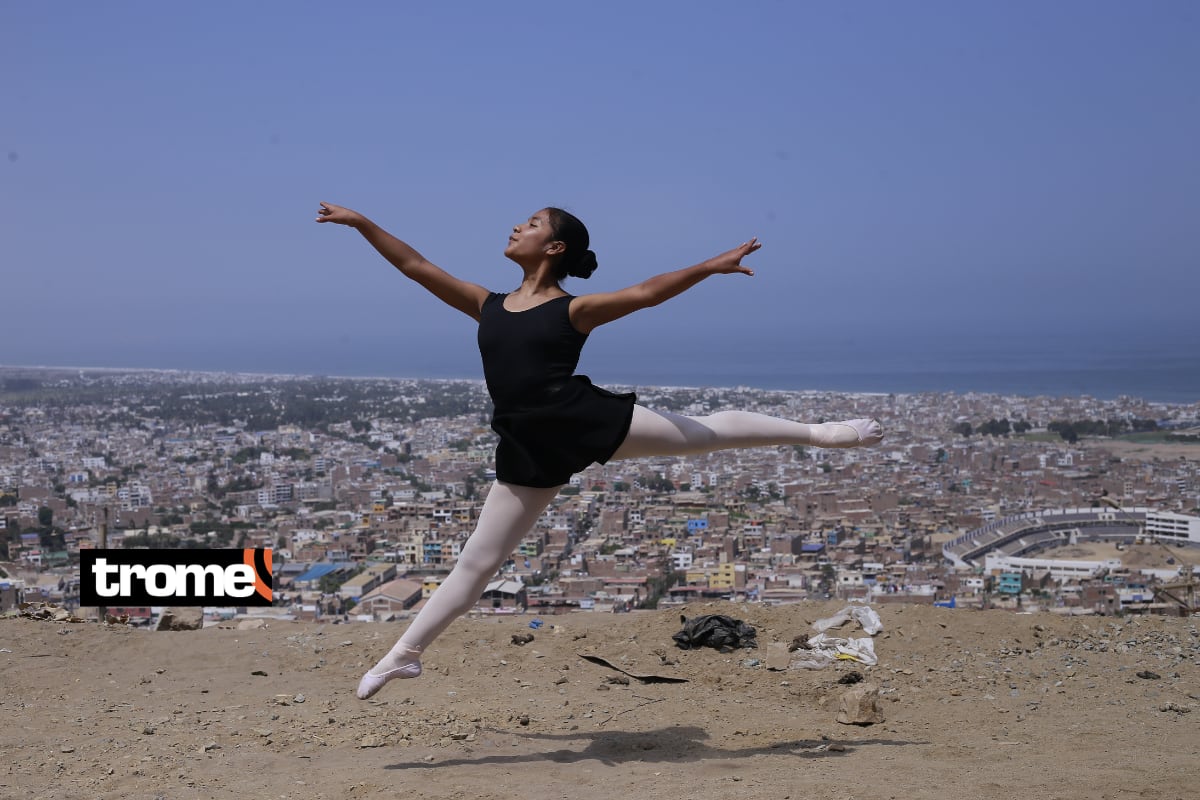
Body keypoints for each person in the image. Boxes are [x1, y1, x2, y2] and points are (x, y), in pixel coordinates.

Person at [315, 202, 883, 699]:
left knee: (702, 436)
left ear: (554, 246)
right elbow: (416, 268)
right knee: (477, 563)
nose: (516, 226)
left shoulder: (571, 311)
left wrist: (708, 267)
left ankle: (821, 433)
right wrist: (363, 223)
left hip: (581, 419)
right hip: (528, 444)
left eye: (531, 222)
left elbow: (645, 293)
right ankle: (405, 654)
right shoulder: (487, 304)